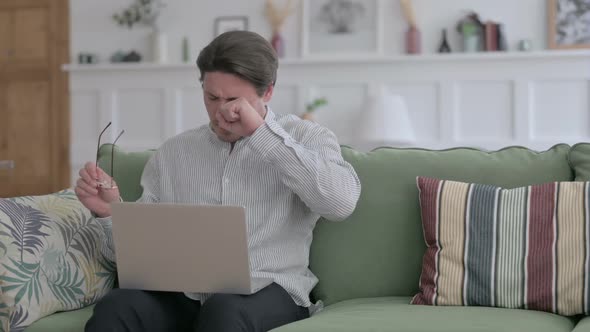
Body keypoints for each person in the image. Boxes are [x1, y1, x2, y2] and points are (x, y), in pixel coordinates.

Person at [75, 30, 361, 332]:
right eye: (211, 98)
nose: (221, 112)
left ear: (267, 93)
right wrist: (110, 213)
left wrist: (261, 134)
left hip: (269, 290)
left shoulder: (307, 137)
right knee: (118, 306)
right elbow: (141, 260)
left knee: (224, 311)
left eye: (234, 100)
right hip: (184, 293)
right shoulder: (174, 152)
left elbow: (341, 204)